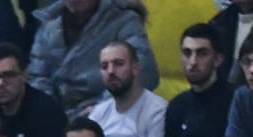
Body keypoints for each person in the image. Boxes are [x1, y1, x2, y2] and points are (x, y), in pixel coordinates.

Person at [28, 0, 158, 113]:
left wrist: (104, 107)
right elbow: (37, 75)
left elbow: (145, 71)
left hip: (106, 113)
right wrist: (47, 109)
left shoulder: (122, 19)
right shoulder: (50, 22)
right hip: (56, 115)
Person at [165, 24, 233, 137]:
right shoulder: (177, 105)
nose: (193, 62)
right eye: (187, 53)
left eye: (202, 53)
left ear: (218, 59)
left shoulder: (236, 99)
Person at [87, 41, 167, 137]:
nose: (111, 71)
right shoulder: (97, 113)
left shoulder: (157, 109)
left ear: (135, 69)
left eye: (118, 64)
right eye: (104, 66)